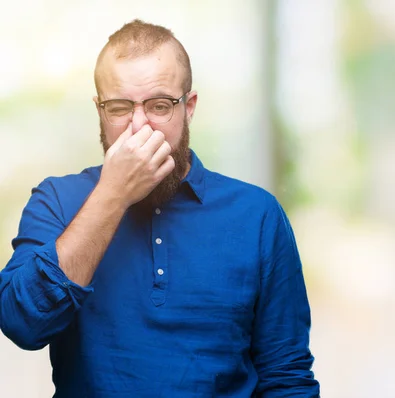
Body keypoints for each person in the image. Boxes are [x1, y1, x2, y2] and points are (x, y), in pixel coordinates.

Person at [0, 19, 319, 397]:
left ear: (189, 107)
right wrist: (112, 195)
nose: (138, 125)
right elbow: (23, 324)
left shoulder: (258, 215)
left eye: (159, 105)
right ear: (99, 109)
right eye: (119, 107)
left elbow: (287, 377)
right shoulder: (56, 200)